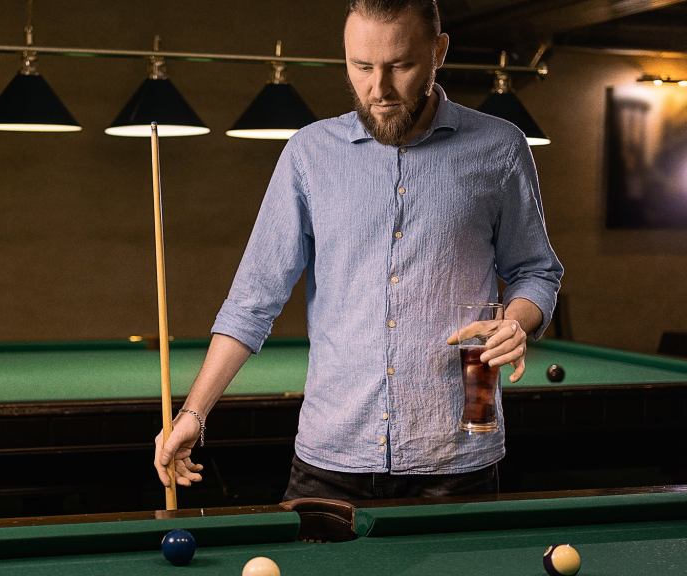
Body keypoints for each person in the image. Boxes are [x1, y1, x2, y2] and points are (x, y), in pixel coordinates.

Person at [154, 0, 563, 500]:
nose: (379, 89)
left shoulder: (500, 147)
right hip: (329, 457)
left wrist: (516, 321)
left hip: (454, 459)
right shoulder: (308, 154)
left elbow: (536, 272)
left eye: (401, 66)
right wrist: (193, 414)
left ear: (439, 52)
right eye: (362, 66)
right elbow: (251, 301)